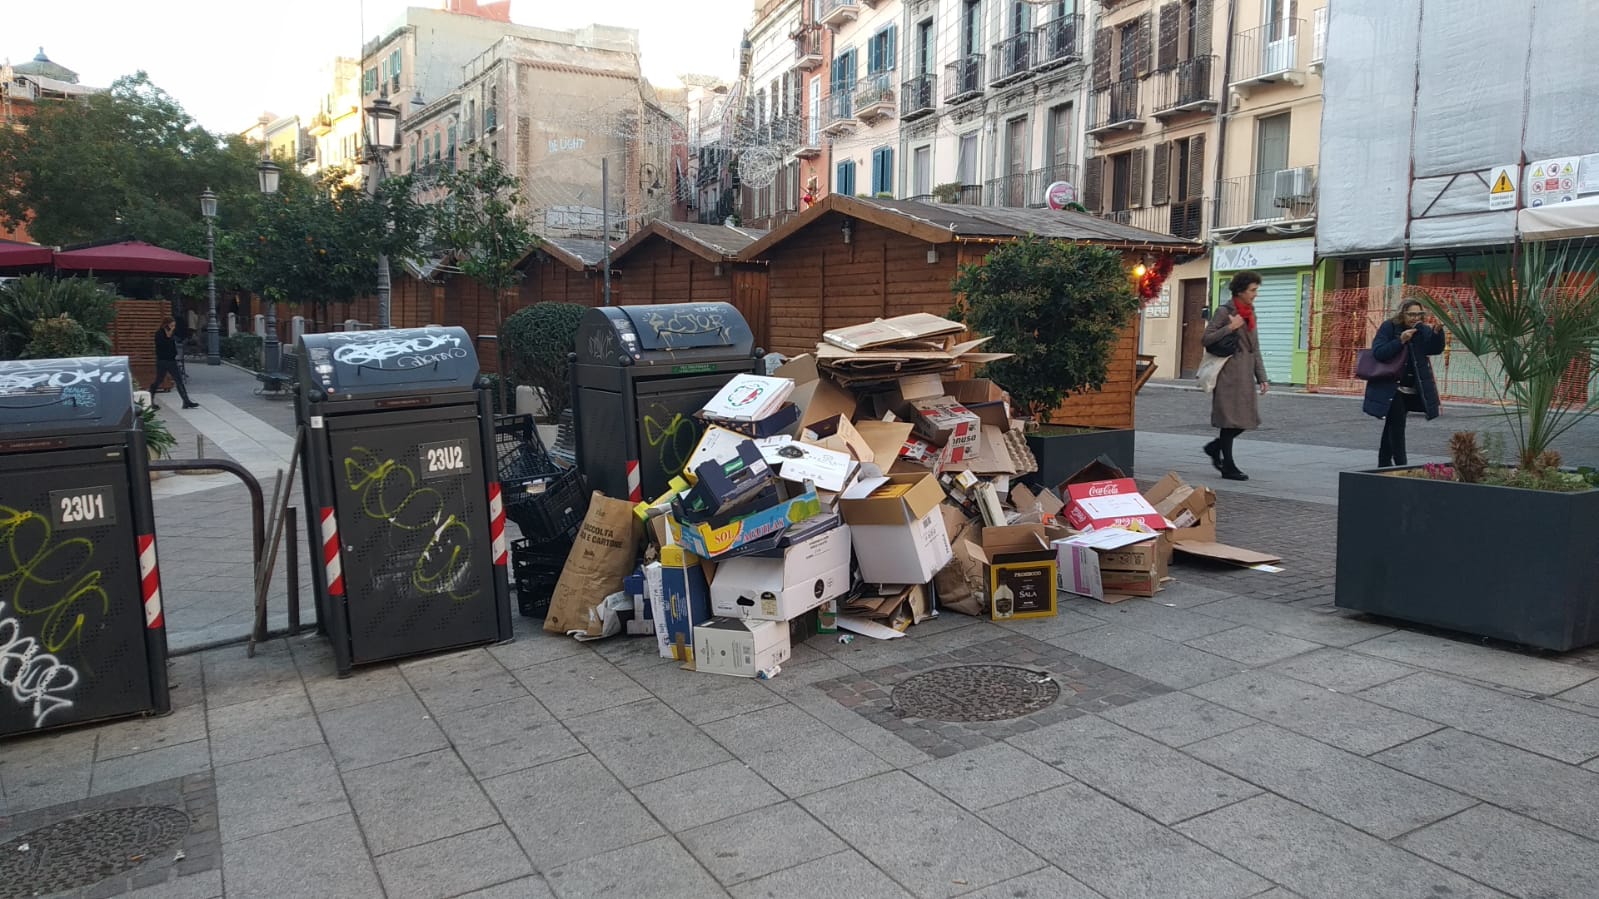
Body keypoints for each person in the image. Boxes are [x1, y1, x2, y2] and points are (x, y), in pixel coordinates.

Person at [1201, 270, 1270, 481]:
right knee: (1230, 421)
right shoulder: (1224, 311)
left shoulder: (1251, 311)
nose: (1255, 294)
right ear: (1240, 291)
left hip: (1245, 373)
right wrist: (1231, 327)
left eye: (1256, 290)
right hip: (1229, 374)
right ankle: (1228, 466)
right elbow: (1207, 338)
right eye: (1252, 290)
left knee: (1248, 419)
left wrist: (1262, 377)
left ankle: (1215, 447)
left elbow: (1254, 347)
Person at [1363, 299, 1445, 466]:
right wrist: (1400, 341)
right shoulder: (1390, 327)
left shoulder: (1421, 329)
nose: (1415, 318)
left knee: (1392, 427)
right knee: (1397, 427)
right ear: (1402, 314)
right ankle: (1402, 464)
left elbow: (1434, 349)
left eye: (1419, 314)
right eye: (1411, 314)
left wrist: (1437, 334)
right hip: (1392, 387)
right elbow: (1378, 352)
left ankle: (1383, 464)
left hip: (1412, 387)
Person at [148, 316, 199, 410]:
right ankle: (150, 399)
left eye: (174, 325)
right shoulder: (159, 334)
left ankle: (186, 401)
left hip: (171, 360)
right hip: (162, 360)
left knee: (179, 380)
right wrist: (169, 334)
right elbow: (162, 344)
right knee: (158, 380)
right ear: (166, 325)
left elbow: (176, 341)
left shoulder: (172, 334)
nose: (173, 327)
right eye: (171, 325)